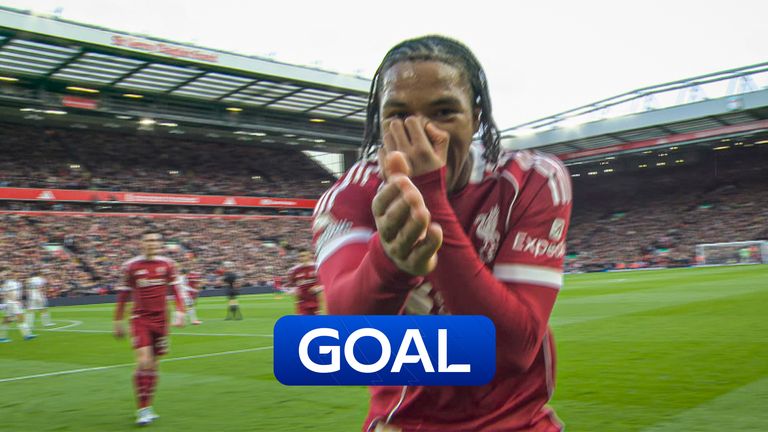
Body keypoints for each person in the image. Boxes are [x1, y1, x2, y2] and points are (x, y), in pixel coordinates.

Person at [312, 35, 572, 431]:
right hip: (406, 423)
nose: (423, 134)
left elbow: (514, 348)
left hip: (519, 424)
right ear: (378, 122)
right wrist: (391, 263)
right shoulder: (350, 197)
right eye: (398, 115)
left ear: (477, 117)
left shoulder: (532, 180)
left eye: (445, 111)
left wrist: (431, 202)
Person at [113, 230, 185, 426]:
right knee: (143, 361)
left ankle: (149, 405)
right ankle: (142, 410)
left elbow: (177, 289)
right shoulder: (131, 266)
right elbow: (123, 295)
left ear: (160, 244)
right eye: (148, 240)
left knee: (153, 364)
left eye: (155, 240)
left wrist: (180, 311)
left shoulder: (168, 264)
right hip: (140, 319)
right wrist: (117, 320)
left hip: (161, 320)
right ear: (141, 243)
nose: (152, 243)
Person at [1, 270, 36, 342]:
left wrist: (19, 300)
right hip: (12, 303)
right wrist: (15, 300)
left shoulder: (16, 283)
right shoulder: (10, 283)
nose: (19, 275)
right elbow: (7, 293)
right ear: (12, 275)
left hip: (11, 302)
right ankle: (27, 335)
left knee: (7, 320)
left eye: (19, 274)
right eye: (17, 274)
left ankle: (2, 337)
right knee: (21, 317)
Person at [287, 249, 323, 316]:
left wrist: (317, 288)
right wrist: (294, 290)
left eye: (304, 256)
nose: (302, 258)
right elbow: (290, 285)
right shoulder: (295, 270)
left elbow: (323, 284)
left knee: (316, 325)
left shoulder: (316, 268)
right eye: (300, 256)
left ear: (309, 256)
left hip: (315, 303)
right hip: (302, 304)